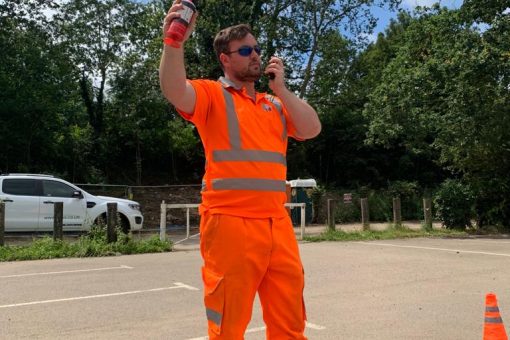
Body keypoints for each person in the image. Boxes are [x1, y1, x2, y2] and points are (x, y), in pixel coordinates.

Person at [160, 2, 321, 339]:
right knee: (228, 327)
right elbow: (175, 90)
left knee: (290, 325)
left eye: (257, 49)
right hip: (230, 224)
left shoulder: (274, 104)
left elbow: (310, 128)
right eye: (245, 50)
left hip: (277, 224)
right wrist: (174, 44)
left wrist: (281, 89)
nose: (255, 55)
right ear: (225, 59)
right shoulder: (211, 95)